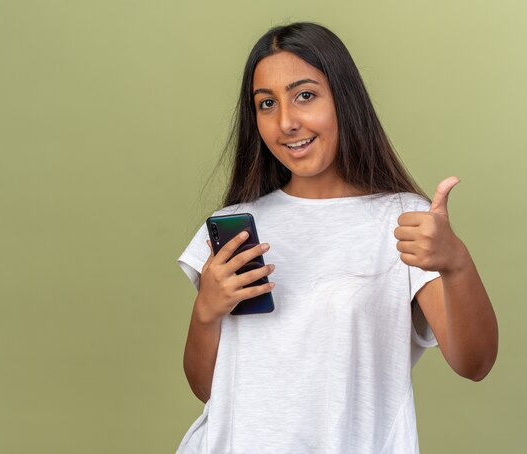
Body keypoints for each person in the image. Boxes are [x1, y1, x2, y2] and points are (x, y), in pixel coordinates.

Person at [176, 22, 498, 454]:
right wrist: (206, 312)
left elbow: (474, 363)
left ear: (343, 99)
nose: (287, 122)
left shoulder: (404, 219)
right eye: (266, 103)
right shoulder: (235, 226)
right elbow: (208, 390)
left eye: (304, 95)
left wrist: (457, 264)